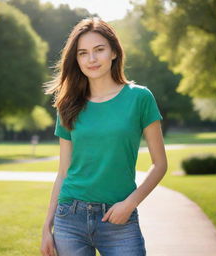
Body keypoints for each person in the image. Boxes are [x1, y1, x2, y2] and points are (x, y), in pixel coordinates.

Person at [41, 17, 167, 256]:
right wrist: (47, 226)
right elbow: (63, 172)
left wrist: (130, 203)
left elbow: (160, 164)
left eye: (99, 50)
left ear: (113, 52)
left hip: (119, 218)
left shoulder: (140, 98)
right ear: (76, 59)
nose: (91, 59)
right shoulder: (68, 104)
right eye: (83, 53)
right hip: (70, 217)